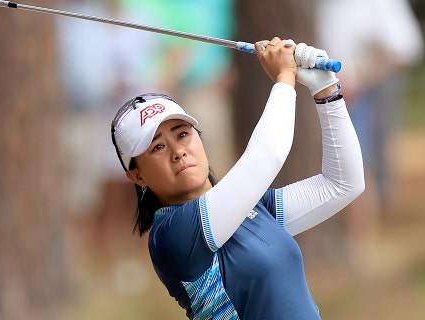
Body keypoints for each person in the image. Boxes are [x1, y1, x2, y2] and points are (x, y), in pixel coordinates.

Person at [110, 37, 364, 319]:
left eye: (182, 134)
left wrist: (325, 91)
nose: (177, 151)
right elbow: (266, 156)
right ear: (137, 176)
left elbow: (342, 184)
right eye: (157, 147)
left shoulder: (252, 208)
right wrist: (284, 78)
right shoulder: (171, 236)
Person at [315, 0, 424, 270]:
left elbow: (403, 50)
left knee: (359, 167)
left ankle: (359, 247)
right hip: (332, 91)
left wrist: (358, 78)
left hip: (360, 95)